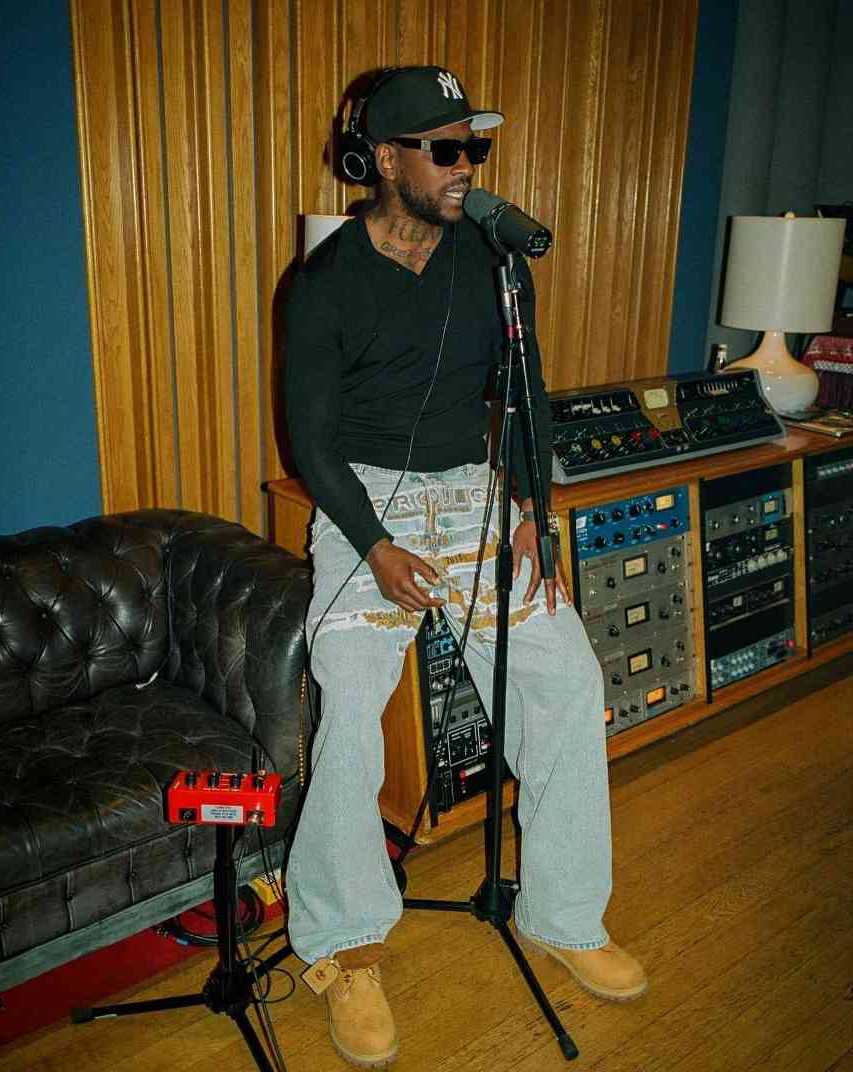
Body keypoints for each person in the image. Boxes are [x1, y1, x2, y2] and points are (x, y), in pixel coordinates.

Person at [284, 65, 646, 1070]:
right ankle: (345, 944)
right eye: (445, 148)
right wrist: (374, 545)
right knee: (350, 696)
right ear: (382, 159)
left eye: (472, 146)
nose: (466, 166)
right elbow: (309, 441)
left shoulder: (494, 262)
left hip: (474, 494)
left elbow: (527, 390)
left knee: (567, 678)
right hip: (364, 500)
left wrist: (533, 508)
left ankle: (564, 913)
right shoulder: (322, 283)